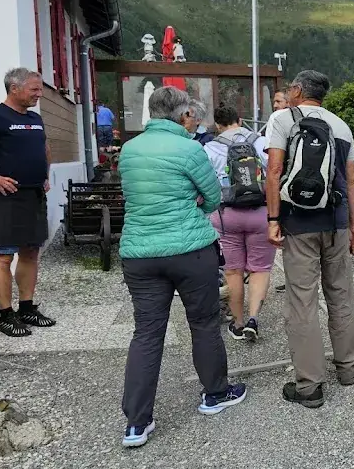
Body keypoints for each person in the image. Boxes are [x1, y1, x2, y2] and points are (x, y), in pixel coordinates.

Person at [117, 86, 246, 448]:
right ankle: (215, 394)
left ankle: (137, 423)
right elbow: (214, 198)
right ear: (181, 114)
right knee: (203, 324)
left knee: (146, 333)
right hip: (190, 250)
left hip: (140, 253)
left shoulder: (129, 149)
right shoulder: (190, 148)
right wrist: (194, 207)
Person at [265, 70, 354, 408]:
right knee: (340, 294)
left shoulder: (283, 119)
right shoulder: (341, 126)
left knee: (302, 302)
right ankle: (348, 368)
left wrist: (273, 218)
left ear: (296, 90)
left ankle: (309, 386)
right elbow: (351, 182)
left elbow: (274, 171)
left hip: (298, 223)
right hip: (335, 222)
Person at [0, 68, 57, 337]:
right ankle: (6, 315)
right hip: (6, 196)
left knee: (31, 252)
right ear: (14, 88)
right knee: (3, 255)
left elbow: (43, 146)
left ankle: (27, 308)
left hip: (34, 194)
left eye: (40, 89)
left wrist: (45, 173)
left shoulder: (35, 118)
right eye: (34, 89)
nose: (39, 94)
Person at [204, 105, 272, 342]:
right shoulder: (261, 142)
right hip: (261, 213)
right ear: (240, 119)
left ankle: (238, 323)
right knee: (260, 269)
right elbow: (275, 173)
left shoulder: (210, 148)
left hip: (226, 215)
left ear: (217, 125)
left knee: (233, 271)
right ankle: (253, 318)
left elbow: (205, 185)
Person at [270, 88, 290, 293]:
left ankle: (294, 280)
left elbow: (272, 165)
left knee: (286, 235)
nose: (275, 106)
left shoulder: (278, 119)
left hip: (282, 184)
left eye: (278, 101)